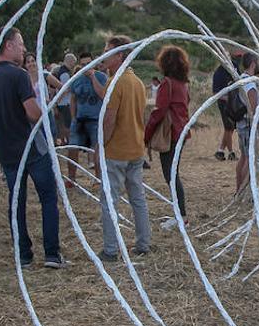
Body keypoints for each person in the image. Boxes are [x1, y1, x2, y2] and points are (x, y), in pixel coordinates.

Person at [0, 28, 64, 267]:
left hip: (8, 151)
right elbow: (31, 112)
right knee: (48, 198)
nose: (23, 48)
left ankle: (23, 255)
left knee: (16, 201)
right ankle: (51, 254)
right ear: (7, 45)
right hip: (32, 148)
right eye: (20, 43)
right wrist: (45, 116)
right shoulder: (18, 75)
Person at [98, 35, 151, 259]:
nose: (103, 55)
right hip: (136, 149)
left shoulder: (115, 82)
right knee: (137, 197)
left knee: (110, 201)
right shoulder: (137, 82)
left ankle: (110, 250)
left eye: (108, 51)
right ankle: (143, 243)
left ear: (119, 55)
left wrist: (100, 145)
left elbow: (110, 119)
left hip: (117, 151)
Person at [145, 45, 191, 214]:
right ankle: (180, 214)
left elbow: (159, 112)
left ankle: (181, 216)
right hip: (181, 132)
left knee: (171, 176)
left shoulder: (167, 84)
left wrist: (146, 134)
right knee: (173, 173)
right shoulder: (183, 84)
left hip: (170, 133)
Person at [66, 50, 106, 189]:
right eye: (83, 65)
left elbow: (103, 95)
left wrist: (93, 77)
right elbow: (73, 99)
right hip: (79, 119)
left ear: (94, 63)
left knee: (97, 150)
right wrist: (73, 117)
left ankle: (98, 179)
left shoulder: (101, 77)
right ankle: (71, 178)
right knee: (72, 147)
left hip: (95, 120)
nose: (86, 67)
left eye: (89, 64)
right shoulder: (76, 78)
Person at [234, 53, 259, 193]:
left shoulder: (241, 79)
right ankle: (244, 191)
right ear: (253, 63)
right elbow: (253, 108)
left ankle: (239, 189)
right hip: (249, 124)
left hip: (241, 123)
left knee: (244, 157)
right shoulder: (250, 83)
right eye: (258, 62)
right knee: (249, 158)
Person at [211, 60, 238, 161]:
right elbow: (215, 93)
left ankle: (221, 151)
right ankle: (230, 152)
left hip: (234, 103)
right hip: (224, 104)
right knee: (228, 127)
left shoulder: (234, 66)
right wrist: (228, 98)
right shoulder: (218, 73)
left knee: (231, 128)